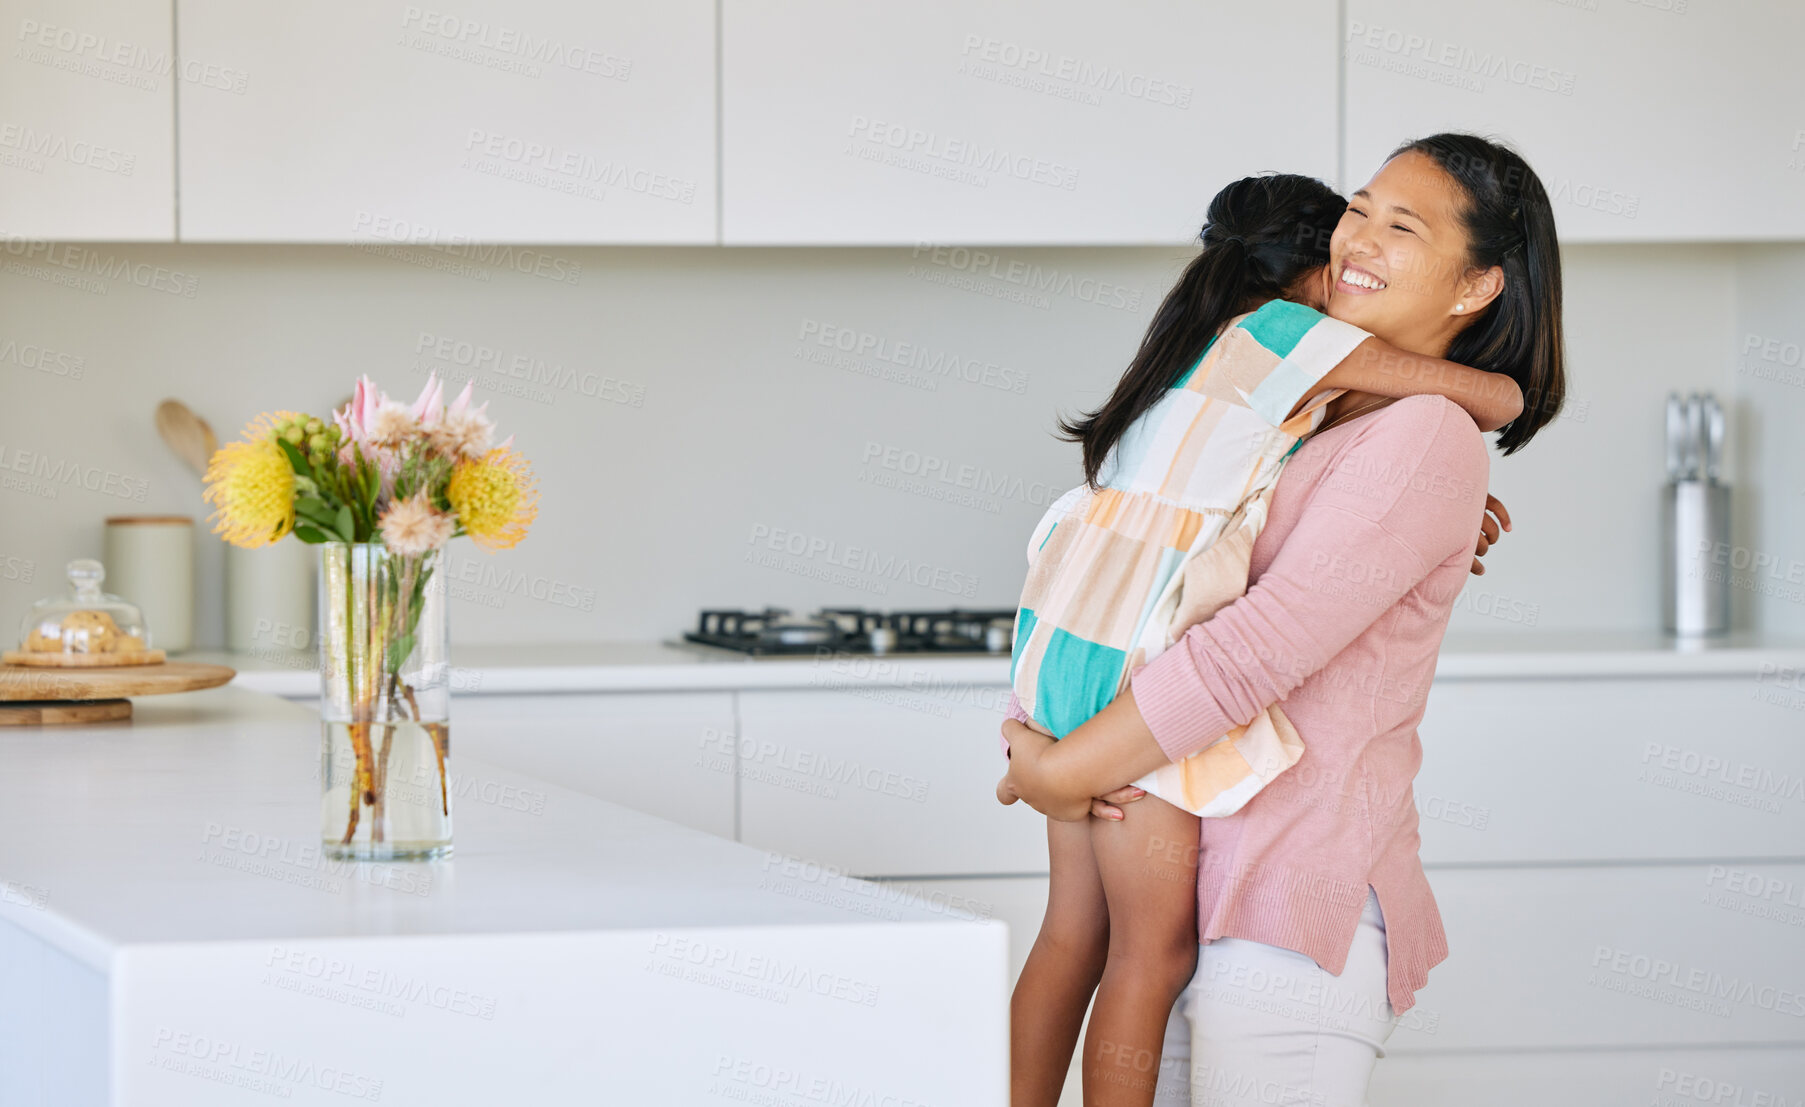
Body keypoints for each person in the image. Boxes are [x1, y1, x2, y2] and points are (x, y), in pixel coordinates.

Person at [999, 132, 1566, 1106]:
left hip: (1277, 910)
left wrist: (1060, 764)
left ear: (1475, 286)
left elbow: (1242, 653)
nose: (1361, 236)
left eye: (1404, 224)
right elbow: (1155, 584)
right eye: (1359, 207)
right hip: (1191, 874)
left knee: (1086, 947)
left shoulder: (1412, 423)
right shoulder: (1299, 415)